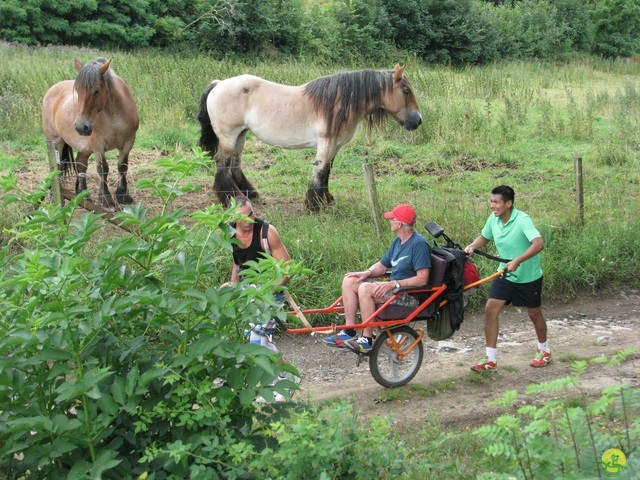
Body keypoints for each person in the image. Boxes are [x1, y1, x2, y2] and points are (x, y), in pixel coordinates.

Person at [323, 204, 432, 353]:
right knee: (350, 281)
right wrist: (366, 273)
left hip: (408, 295)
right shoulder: (398, 242)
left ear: (399, 224)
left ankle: (366, 340)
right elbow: (382, 265)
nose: (389, 221)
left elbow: (422, 279)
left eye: (392, 219)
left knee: (365, 289)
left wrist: (395, 284)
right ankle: (349, 332)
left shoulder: (419, 244)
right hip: (395, 289)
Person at [464, 185, 550, 371]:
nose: (492, 206)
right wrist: (471, 246)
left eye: (496, 202)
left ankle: (544, 350)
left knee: (534, 314)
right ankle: (490, 359)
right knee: (490, 309)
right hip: (505, 275)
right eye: (491, 201)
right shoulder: (494, 219)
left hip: (528, 277)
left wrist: (518, 260)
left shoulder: (522, 220)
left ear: (508, 203)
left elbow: (538, 244)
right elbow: (484, 237)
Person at [226, 196, 291, 350]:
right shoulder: (229, 233)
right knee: (255, 339)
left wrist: (265, 292)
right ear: (233, 217)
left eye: (251, 214)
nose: (249, 220)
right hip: (247, 290)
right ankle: (281, 373)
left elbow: (288, 270)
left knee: (256, 339)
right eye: (242, 217)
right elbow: (236, 261)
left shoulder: (267, 232)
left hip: (270, 289)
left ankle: (274, 372)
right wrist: (232, 285)